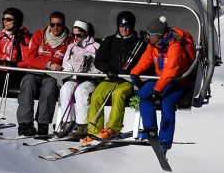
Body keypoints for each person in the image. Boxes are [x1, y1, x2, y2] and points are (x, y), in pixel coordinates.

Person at [130, 15, 196, 153]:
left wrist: (157, 89)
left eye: (150, 35)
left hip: (178, 81)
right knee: (143, 95)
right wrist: (135, 73)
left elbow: (171, 71)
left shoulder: (175, 46)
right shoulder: (153, 44)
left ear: (159, 35)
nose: (147, 37)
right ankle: (151, 130)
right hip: (160, 78)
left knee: (167, 103)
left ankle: (165, 140)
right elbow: (146, 60)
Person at [82, 11, 145, 143]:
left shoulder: (139, 44)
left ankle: (113, 128)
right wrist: (108, 70)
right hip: (111, 78)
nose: (124, 29)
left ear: (132, 26)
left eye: (127, 26)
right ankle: (94, 130)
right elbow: (98, 61)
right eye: (121, 26)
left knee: (118, 94)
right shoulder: (110, 41)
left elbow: (145, 62)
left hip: (127, 81)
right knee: (97, 95)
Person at [16, 10, 70, 136]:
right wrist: (49, 64)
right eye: (53, 24)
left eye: (59, 25)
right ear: (49, 24)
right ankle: (25, 123)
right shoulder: (39, 35)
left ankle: (43, 124)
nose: (55, 27)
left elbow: (68, 61)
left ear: (63, 25)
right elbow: (30, 57)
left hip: (52, 76)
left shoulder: (69, 40)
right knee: (28, 84)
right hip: (36, 71)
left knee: (49, 89)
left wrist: (59, 68)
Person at [0, 7, 32, 131]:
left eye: (9, 19)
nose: (5, 22)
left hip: (15, 72)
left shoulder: (23, 38)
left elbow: (29, 60)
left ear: (17, 21)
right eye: (3, 19)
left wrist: (16, 65)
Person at [54, 21, 100, 138]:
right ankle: (68, 122)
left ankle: (82, 125)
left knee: (80, 91)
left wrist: (89, 72)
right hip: (74, 77)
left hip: (89, 79)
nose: (75, 37)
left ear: (86, 33)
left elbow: (99, 67)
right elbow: (66, 64)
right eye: (73, 35)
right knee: (65, 89)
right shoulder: (71, 47)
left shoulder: (96, 47)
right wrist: (69, 72)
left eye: (79, 35)